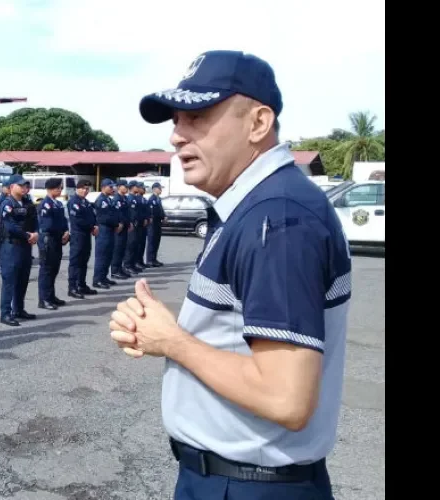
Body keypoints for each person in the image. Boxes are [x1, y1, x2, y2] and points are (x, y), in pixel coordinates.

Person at [109, 50, 350, 500]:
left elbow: (286, 399)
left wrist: (172, 341)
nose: (177, 136)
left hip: (248, 486)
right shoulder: (252, 204)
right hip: (231, 479)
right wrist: (153, 330)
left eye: (197, 116)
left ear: (258, 123)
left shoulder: (276, 218)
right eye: (176, 120)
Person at [0, 174, 38, 326]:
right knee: (10, 280)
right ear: (11, 187)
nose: (24, 188)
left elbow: (35, 220)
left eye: (25, 185)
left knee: (23, 279)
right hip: (11, 246)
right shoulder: (7, 203)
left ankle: (18, 309)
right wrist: (28, 235)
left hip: (25, 245)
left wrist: (36, 233)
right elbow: (10, 226)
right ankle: (5, 313)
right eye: (20, 185)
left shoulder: (27, 202)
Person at [36, 177, 69, 310]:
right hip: (48, 240)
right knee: (46, 270)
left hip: (56, 239)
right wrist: (61, 231)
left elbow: (63, 221)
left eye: (61, 188)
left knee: (54, 269)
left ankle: (50, 296)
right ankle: (43, 299)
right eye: (59, 188)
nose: (61, 190)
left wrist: (66, 231)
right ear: (51, 189)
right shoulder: (45, 204)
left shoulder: (58, 204)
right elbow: (48, 225)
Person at [66, 179, 98, 298]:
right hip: (78, 235)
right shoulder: (74, 202)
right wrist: (91, 226)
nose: (85, 191)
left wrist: (95, 225)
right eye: (83, 188)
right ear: (77, 189)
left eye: (87, 189)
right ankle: (72, 287)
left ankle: (81, 285)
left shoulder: (86, 202)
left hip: (86, 235)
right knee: (75, 262)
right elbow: (77, 220)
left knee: (84, 261)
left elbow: (93, 216)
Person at [92, 178, 120, 289]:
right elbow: (104, 218)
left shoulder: (108, 199)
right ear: (103, 187)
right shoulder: (101, 200)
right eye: (110, 187)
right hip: (104, 230)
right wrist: (116, 224)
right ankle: (97, 279)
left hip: (110, 229)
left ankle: (103, 277)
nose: (112, 189)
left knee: (108, 255)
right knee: (102, 256)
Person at [110, 180, 132, 280]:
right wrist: (119, 223)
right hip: (119, 227)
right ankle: (115, 271)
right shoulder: (116, 199)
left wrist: (129, 222)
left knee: (122, 248)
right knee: (117, 249)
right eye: (124, 186)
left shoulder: (125, 198)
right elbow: (117, 213)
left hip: (125, 226)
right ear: (119, 187)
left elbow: (127, 213)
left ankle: (120, 268)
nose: (126, 188)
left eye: (127, 187)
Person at [145, 182, 166, 267]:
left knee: (156, 241)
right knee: (152, 241)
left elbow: (160, 210)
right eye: (159, 188)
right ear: (155, 189)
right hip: (152, 223)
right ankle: (150, 260)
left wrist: (164, 216)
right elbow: (151, 212)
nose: (161, 190)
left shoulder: (158, 199)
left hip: (158, 222)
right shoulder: (151, 199)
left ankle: (154, 259)